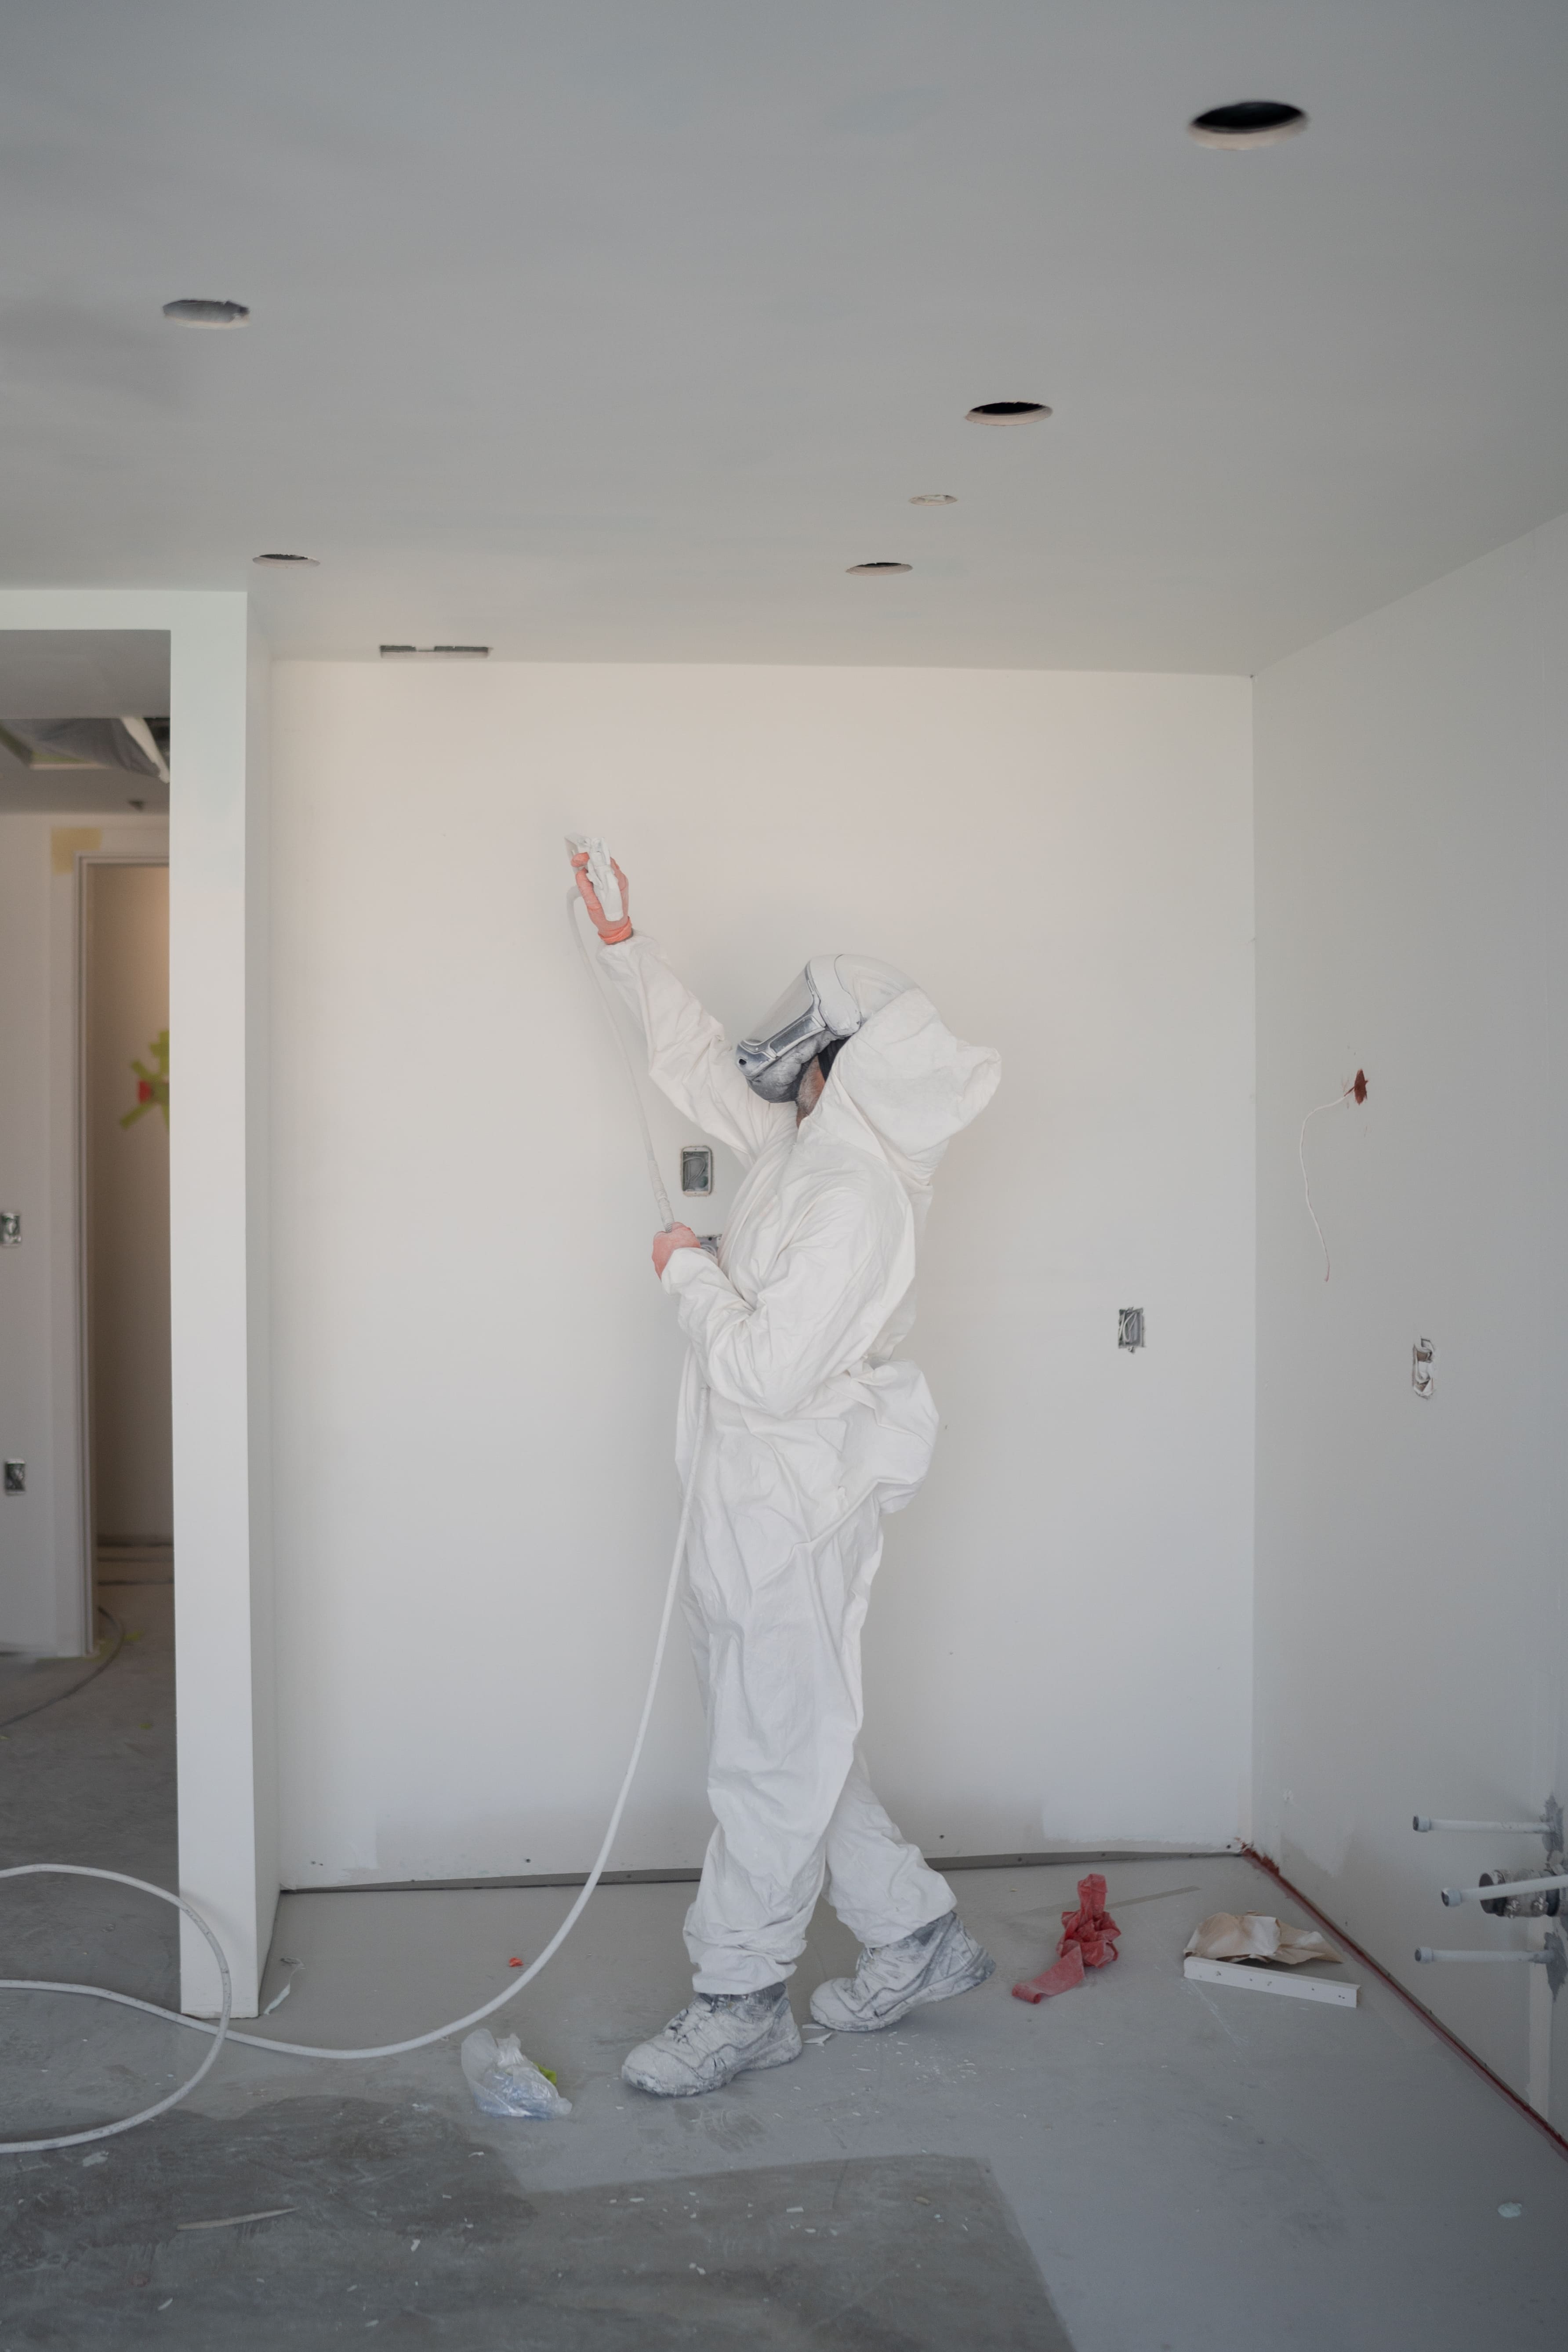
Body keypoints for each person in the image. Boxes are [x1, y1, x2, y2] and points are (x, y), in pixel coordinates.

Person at [572, 849, 1001, 2097]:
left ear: (843, 1065)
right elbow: (702, 1065)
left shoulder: (854, 1197)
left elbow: (763, 1369)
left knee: (772, 1755)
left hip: (791, 1508)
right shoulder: (804, 1154)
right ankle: (914, 1934)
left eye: (806, 1048)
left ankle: (741, 1997)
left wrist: (686, 1274)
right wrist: (622, 950)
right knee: (795, 1737)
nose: (785, 1063)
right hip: (750, 1501)